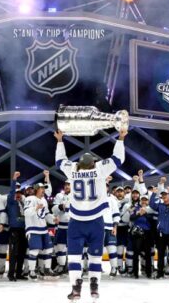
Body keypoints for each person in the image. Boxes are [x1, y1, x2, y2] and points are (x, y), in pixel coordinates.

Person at [55, 128, 126, 302]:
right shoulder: (101, 169)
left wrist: (60, 140)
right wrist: (121, 138)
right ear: (93, 163)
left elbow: (59, 161)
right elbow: (118, 159)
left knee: (73, 257)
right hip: (96, 221)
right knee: (95, 256)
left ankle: (76, 289)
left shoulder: (72, 170)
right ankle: (94, 288)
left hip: (76, 221)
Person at [24, 182, 57, 280]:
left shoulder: (44, 200)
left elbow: (46, 214)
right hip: (33, 228)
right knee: (34, 251)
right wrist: (36, 208)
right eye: (41, 188)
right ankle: (32, 271)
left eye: (44, 188)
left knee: (49, 249)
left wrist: (53, 219)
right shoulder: (30, 199)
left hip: (43, 229)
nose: (43, 190)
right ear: (36, 189)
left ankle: (47, 269)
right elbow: (26, 213)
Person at [149, 185, 169, 279]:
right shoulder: (160, 206)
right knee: (161, 254)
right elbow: (151, 204)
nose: (164, 196)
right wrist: (154, 193)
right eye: (163, 195)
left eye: (166, 195)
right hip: (161, 233)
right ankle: (160, 272)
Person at [7, 172, 28, 282]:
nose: (18, 195)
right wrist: (14, 179)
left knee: (21, 253)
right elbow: (11, 192)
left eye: (20, 193)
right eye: (16, 193)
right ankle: (11, 274)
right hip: (14, 230)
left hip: (23, 230)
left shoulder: (24, 203)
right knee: (13, 253)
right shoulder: (11, 202)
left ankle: (19, 273)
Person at [129, 194, 153, 279]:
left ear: (148, 201)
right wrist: (139, 214)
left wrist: (145, 213)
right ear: (140, 201)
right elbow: (131, 218)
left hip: (147, 233)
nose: (144, 201)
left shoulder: (150, 209)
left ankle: (149, 273)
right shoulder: (136, 208)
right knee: (136, 254)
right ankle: (135, 273)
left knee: (148, 254)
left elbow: (152, 220)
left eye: (145, 200)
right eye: (142, 200)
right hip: (137, 233)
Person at [52, 180, 71, 274]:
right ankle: (61, 266)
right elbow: (54, 210)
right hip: (61, 226)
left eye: (69, 184)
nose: (67, 186)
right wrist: (60, 207)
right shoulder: (59, 196)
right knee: (59, 247)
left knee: (73, 248)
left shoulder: (77, 196)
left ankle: (73, 267)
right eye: (66, 184)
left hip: (73, 226)